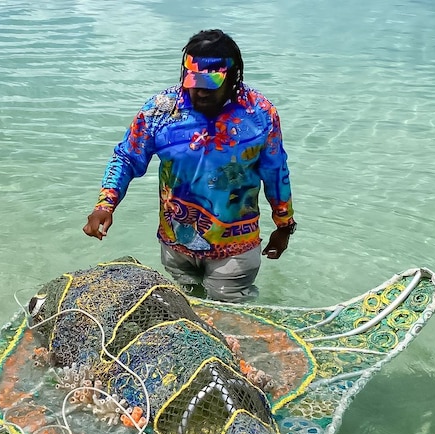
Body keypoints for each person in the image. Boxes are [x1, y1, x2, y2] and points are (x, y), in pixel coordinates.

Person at [82, 29, 297, 303]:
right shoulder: (161, 111)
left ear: (233, 78)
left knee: (231, 319)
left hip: (235, 251)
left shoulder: (260, 115)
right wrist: (105, 205)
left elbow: (276, 171)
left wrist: (284, 226)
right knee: (187, 310)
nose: (199, 92)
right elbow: (126, 157)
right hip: (176, 247)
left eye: (210, 85)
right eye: (193, 82)